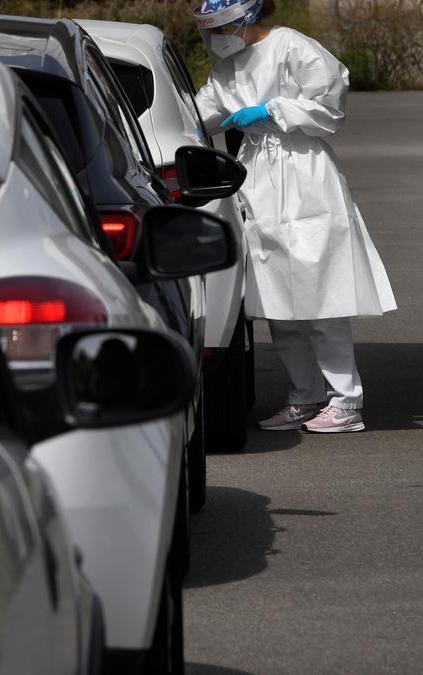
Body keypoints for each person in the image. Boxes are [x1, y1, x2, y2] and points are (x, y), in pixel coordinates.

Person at [193, 0, 396, 433]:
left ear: (246, 19)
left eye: (223, 28)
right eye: (210, 31)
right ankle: (306, 396)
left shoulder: (293, 46)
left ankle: (346, 403)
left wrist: (272, 111)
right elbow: (201, 111)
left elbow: (331, 106)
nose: (217, 39)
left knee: (321, 295)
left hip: (303, 173)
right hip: (258, 179)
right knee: (279, 301)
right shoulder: (225, 68)